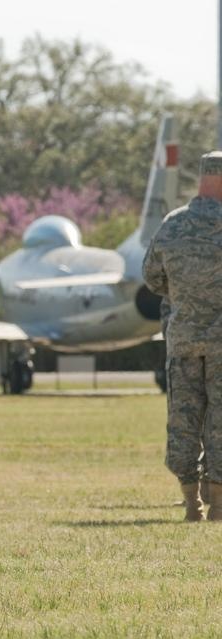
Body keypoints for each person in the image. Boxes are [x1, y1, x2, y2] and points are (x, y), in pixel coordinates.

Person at [143, 150, 222, 522]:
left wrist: (183, 295)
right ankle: (220, 505)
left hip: (185, 340)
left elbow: (152, 278)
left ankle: (192, 503)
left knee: (184, 421)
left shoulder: (173, 225)